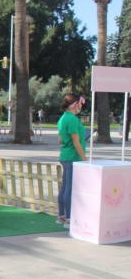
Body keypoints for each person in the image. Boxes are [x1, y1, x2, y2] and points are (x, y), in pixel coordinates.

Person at [56, 93, 87, 229]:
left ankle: (61, 215)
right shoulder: (73, 120)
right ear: (76, 104)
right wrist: (85, 160)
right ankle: (69, 219)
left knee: (64, 187)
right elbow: (76, 142)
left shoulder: (63, 118)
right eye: (81, 103)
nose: (82, 106)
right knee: (69, 188)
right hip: (72, 157)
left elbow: (60, 139)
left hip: (65, 155)